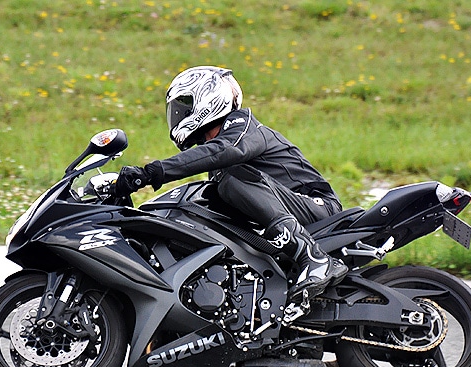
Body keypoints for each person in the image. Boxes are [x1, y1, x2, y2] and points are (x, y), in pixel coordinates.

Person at [115, 66, 347, 303]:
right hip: (288, 210)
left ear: (208, 97)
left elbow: (225, 150)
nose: (177, 113)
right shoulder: (217, 158)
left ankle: (314, 258)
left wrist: (151, 172)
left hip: (318, 207)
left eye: (184, 104)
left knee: (232, 179)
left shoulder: (242, 127)